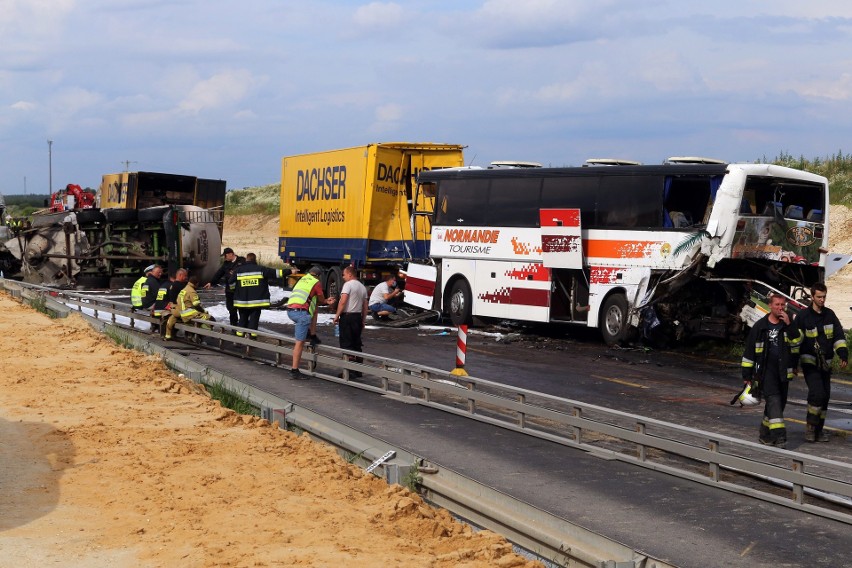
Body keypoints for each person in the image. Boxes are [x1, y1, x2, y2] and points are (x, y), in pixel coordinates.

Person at [740, 293, 802, 448]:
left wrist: (789, 324)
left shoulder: (787, 325)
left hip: (783, 371)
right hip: (766, 372)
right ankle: (780, 436)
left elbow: (797, 342)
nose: (781, 308)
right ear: (770, 306)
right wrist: (747, 375)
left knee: (780, 404)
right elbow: (749, 352)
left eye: (783, 305)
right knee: (774, 401)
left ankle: (764, 433)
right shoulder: (760, 327)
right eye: (777, 305)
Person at [794, 282, 848, 443]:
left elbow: (838, 336)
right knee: (817, 394)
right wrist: (793, 363)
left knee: (825, 397)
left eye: (824, 297)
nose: (822, 300)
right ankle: (810, 428)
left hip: (826, 363)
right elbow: (794, 341)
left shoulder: (830, 315)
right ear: (812, 297)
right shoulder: (803, 317)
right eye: (819, 297)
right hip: (810, 363)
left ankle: (819, 429)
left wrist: (843, 354)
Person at [286, 266, 336, 379]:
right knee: (299, 343)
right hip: (301, 314)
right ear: (318, 276)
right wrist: (327, 301)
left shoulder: (302, 279)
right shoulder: (316, 282)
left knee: (310, 313)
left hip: (290, 311)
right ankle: (294, 370)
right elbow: (321, 299)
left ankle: (310, 334)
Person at [229, 252, 287, 339]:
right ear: (255, 260)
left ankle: (239, 338)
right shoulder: (261, 269)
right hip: (257, 302)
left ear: (246, 259)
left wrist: (234, 289)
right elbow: (276, 273)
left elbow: (231, 282)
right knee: (254, 320)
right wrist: (290, 271)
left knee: (242, 319)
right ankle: (252, 338)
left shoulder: (238, 270)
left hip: (242, 301)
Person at [333, 266, 368, 378]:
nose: (343, 277)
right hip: (357, 317)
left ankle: (349, 371)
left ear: (349, 274)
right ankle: (358, 370)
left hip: (347, 317)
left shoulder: (348, 285)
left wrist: (337, 316)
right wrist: (363, 320)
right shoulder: (362, 287)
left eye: (343, 275)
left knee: (347, 343)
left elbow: (343, 302)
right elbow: (365, 306)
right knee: (356, 343)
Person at [204, 247, 245, 327]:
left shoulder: (242, 261)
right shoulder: (226, 264)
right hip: (230, 291)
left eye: (225, 256)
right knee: (231, 309)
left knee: (242, 309)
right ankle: (234, 325)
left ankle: (243, 325)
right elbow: (219, 273)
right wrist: (211, 282)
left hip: (240, 290)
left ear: (230, 254)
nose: (224, 258)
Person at [164, 275, 214, 341]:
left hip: (182, 313)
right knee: (211, 319)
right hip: (189, 314)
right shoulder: (192, 291)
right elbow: (196, 305)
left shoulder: (183, 290)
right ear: (196, 283)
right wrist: (203, 311)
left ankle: (193, 336)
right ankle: (205, 335)